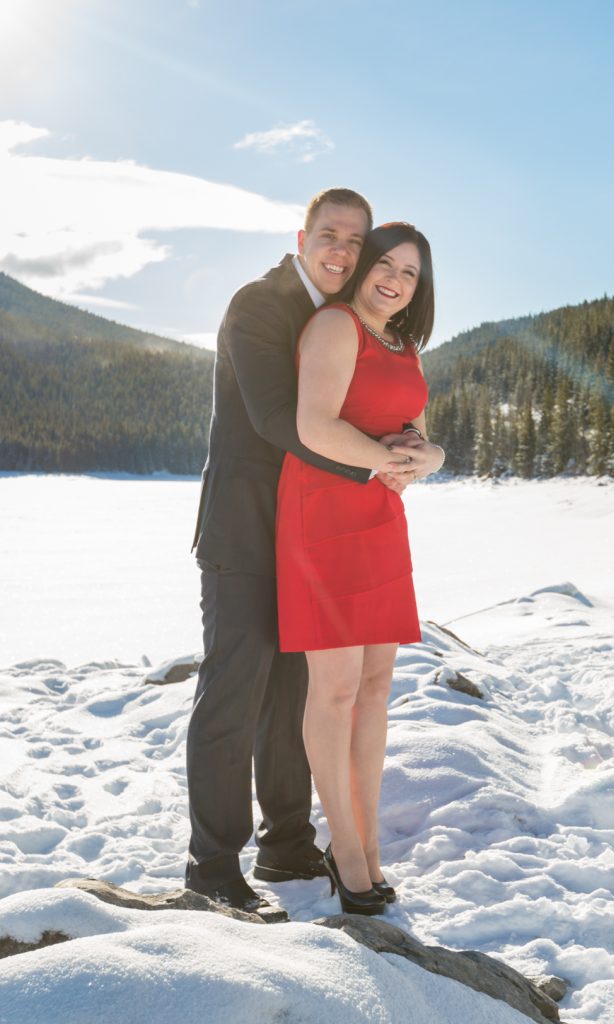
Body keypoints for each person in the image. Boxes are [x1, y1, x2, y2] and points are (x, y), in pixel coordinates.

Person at [187, 191, 443, 913]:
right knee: (233, 694)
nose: (340, 250)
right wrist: (381, 462)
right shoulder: (261, 304)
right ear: (303, 238)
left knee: (298, 691)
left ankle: (289, 841)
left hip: (307, 532)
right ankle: (210, 865)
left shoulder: (340, 315)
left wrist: (415, 456)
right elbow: (279, 419)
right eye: (328, 236)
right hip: (246, 528)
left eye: (352, 241)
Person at [276, 222, 441, 915]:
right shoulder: (334, 326)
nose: (396, 280)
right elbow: (314, 426)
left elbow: (419, 438)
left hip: (378, 517)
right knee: (336, 693)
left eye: (410, 272)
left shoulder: (404, 345)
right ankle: (344, 854)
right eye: (387, 264)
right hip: (323, 514)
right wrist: (393, 461)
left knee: (375, 689)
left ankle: (368, 845)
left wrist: (426, 460)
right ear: (363, 267)